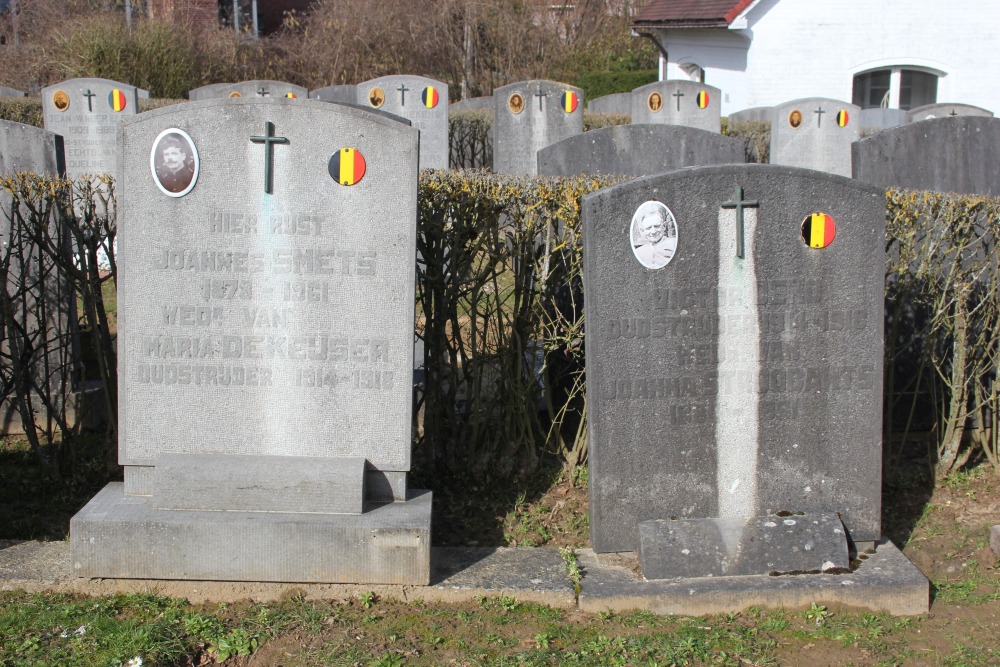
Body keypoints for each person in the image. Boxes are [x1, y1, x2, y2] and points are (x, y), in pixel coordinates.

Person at [632, 203, 676, 269]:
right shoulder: (638, 252)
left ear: (664, 226)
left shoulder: (673, 244)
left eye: (657, 226)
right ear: (643, 231)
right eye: (648, 228)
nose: (653, 232)